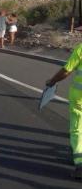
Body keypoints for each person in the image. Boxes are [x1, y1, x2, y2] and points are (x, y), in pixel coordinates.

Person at [46, 43, 82, 179]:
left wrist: (52, 81)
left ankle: (80, 164)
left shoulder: (81, 48)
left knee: (78, 129)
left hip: (80, 98)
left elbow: (67, 70)